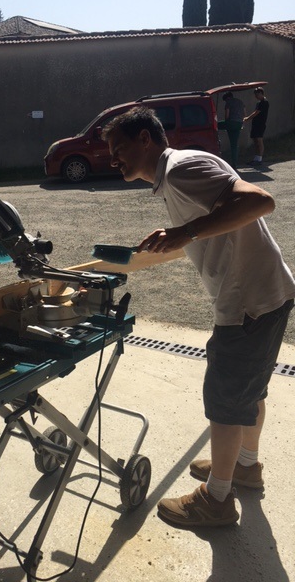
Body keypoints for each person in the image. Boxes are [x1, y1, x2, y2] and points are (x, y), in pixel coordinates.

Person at [102, 106, 295, 528]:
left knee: (225, 403)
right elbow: (218, 219)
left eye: (119, 148)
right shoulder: (179, 169)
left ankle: (216, 499)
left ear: (145, 139)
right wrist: (177, 238)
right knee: (248, 392)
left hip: (246, 303)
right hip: (266, 293)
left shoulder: (180, 170)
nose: (113, 159)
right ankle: (245, 465)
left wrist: (185, 232)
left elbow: (260, 201)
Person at [244, 87, 269, 165]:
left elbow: (256, 112)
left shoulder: (264, 102)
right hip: (255, 124)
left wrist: (248, 118)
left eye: (257, 94)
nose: (256, 96)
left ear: (261, 93)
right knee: (255, 141)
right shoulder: (259, 102)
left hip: (260, 124)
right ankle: (256, 158)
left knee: (259, 140)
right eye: (255, 94)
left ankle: (259, 159)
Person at [221, 91, 245, 169]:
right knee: (234, 144)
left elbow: (227, 115)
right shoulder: (241, 102)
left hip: (231, 123)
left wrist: (226, 125)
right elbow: (244, 114)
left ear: (227, 98)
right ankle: (234, 163)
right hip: (239, 124)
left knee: (215, 125)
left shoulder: (228, 103)